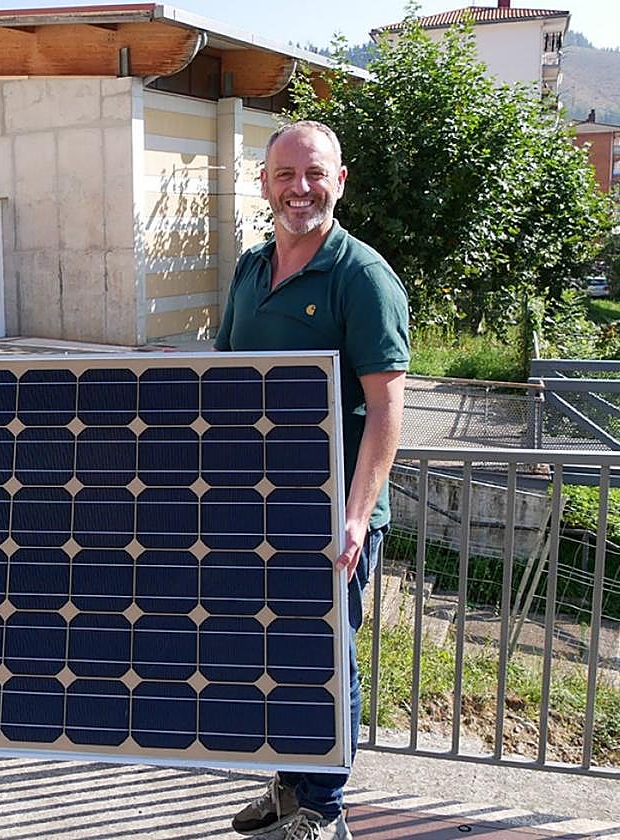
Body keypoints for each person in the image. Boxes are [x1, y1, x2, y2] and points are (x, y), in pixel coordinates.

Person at [214, 120, 409, 840]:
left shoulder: (362, 278)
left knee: (327, 655)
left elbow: (387, 406)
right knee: (275, 650)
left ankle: (322, 810)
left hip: (335, 517)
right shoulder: (249, 269)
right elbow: (225, 383)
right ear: (265, 184)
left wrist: (355, 518)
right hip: (263, 513)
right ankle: (289, 787)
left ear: (340, 180)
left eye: (315, 174)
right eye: (286, 175)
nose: (301, 189)